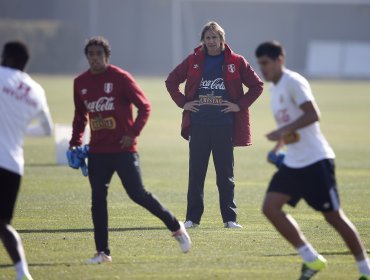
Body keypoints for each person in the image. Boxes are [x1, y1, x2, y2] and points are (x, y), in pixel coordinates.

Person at [68, 36, 191, 264]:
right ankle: (102, 252)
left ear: (106, 56)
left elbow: (144, 106)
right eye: (90, 55)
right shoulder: (80, 82)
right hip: (97, 152)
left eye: (98, 54)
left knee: (137, 194)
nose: (94, 58)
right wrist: (74, 143)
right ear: (87, 57)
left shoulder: (120, 78)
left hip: (124, 150)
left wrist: (132, 133)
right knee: (98, 200)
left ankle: (175, 226)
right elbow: (79, 117)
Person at [255, 41, 370, 280]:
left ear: (279, 60)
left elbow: (313, 114)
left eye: (265, 63)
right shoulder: (274, 90)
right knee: (270, 207)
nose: (262, 69)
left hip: (316, 160)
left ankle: (365, 269)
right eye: (260, 64)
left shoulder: (293, 82)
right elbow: (290, 129)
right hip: (294, 163)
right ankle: (311, 259)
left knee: (333, 217)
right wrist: (279, 145)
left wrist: (281, 132)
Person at [166, 21, 263, 229]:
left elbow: (257, 85)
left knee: (225, 175)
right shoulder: (193, 60)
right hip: (199, 125)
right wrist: (184, 102)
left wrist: (239, 105)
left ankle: (230, 219)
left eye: (215, 37)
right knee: (196, 174)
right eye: (207, 38)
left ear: (222, 40)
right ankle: (192, 219)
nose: (211, 41)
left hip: (224, 125)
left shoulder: (236, 61)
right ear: (203, 40)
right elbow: (171, 81)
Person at [0, 41, 53, 280]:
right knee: (3, 224)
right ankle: (23, 272)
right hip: (13, 165)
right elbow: (47, 130)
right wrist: (21, 131)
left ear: (8, 58)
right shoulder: (36, 90)